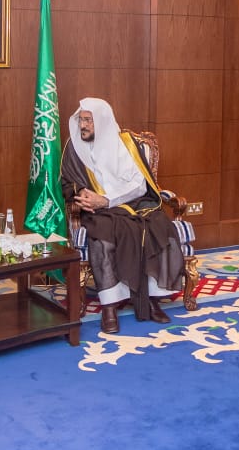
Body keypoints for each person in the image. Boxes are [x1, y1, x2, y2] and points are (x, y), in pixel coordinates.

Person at [60, 97, 184, 334]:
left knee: (158, 226)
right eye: (81, 120)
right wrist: (81, 192)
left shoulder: (126, 144)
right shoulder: (74, 146)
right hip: (97, 211)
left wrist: (108, 199)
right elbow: (68, 182)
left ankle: (151, 298)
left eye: (88, 120)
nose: (83, 125)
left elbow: (139, 185)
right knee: (103, 236)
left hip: (133, 202)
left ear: (103, 121)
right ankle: (109, 306)